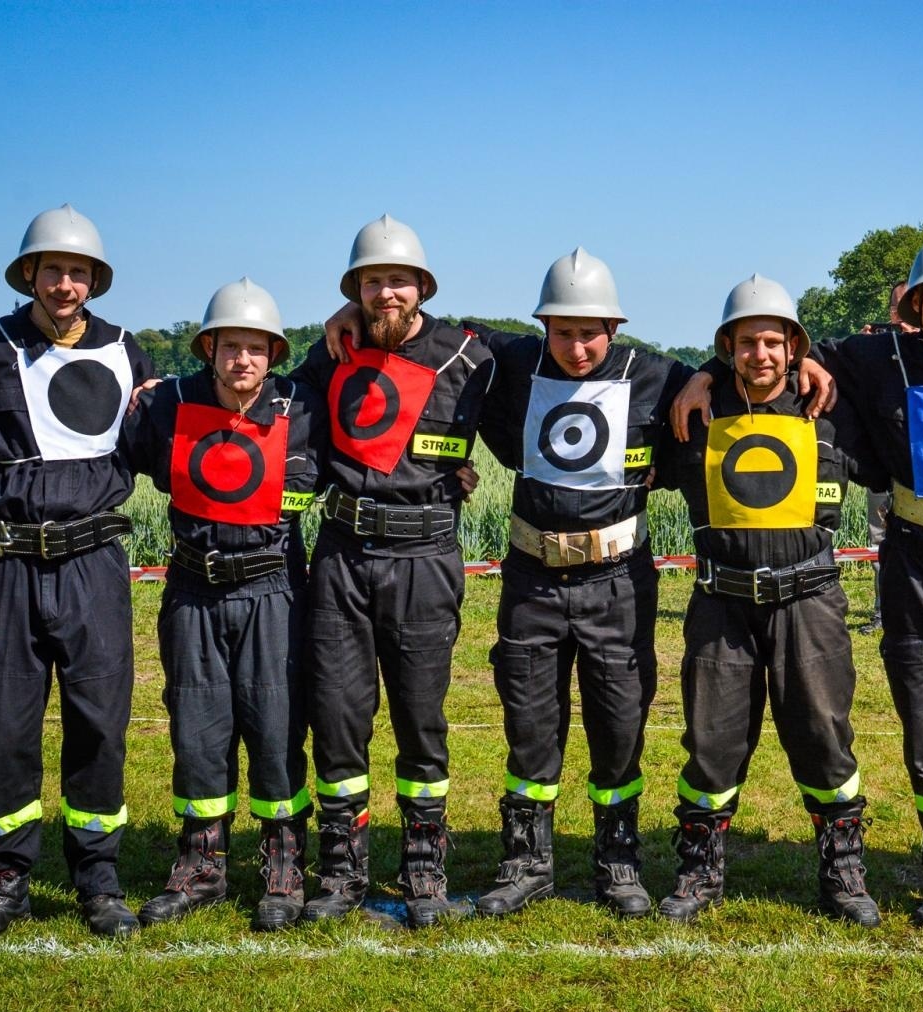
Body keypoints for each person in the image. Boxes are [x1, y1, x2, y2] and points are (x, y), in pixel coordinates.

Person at [0, 205, 153, 950]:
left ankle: (98, 881)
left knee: (100, 725)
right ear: (29, 274)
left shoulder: (126, 349)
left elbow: (170, 442)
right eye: (53, 270)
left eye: (79, 272)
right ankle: (7, 883)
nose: (65, 284)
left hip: (93, 566)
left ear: (95, 280)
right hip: (6, 567)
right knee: (6, 727)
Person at [458, 250, 694, 918]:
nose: (577, 346)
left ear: (614, 327)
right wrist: (349, 313)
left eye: (590, 332)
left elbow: (724, 375)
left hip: (618, 581)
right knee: (530, 722)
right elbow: (441, 333)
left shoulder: (656, 373)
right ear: (543, 327)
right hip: (531, 581)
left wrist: (702, 387)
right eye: (562, 331)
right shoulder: (516, 360)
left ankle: (618, 860)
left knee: (619, 723)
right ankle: (526, 862)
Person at [653, 275, 880, 927]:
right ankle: (699, 870)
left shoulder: (830, 407)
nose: (761, 355)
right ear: (727, 348)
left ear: (794, 348)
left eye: (774, 342)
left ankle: (843, 871)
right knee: (711, 742)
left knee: (824, 737)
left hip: (810, 601)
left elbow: (886, 366)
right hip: (720, 604)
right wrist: (701, 374)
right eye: (747, 342)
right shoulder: (693, 409)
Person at [288, 215, 494, 929]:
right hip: (342, 556)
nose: (385, 294)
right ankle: (342, 871)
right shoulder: (331, 353)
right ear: (354, 290)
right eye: (371, 282)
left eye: (398, 281)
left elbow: (561, 369)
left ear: (423, 287)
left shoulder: (470, 356)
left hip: (424, 559)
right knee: (338, 716)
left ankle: (423, 866)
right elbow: (273, 411)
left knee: (419, 717)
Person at [119, 278, 322, 931]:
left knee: (276, 729)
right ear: (208, 349)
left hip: (273, 590)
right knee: (197, 730)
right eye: (230, 346)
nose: (243, 359)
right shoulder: (170, 403)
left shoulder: (303, 407)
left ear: (274, 354)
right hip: (193, 590)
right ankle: (200, 865)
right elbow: (111, 455)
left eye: (256, 347)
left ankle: (284, 865)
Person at [857, 281, 917, 637]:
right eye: (899, 309)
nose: (904, 318)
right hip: (883, 467)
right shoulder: (878, 353)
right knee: (880, 540)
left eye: (912, 309)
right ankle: (883, 612)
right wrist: (866, 353)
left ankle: (915, 613)